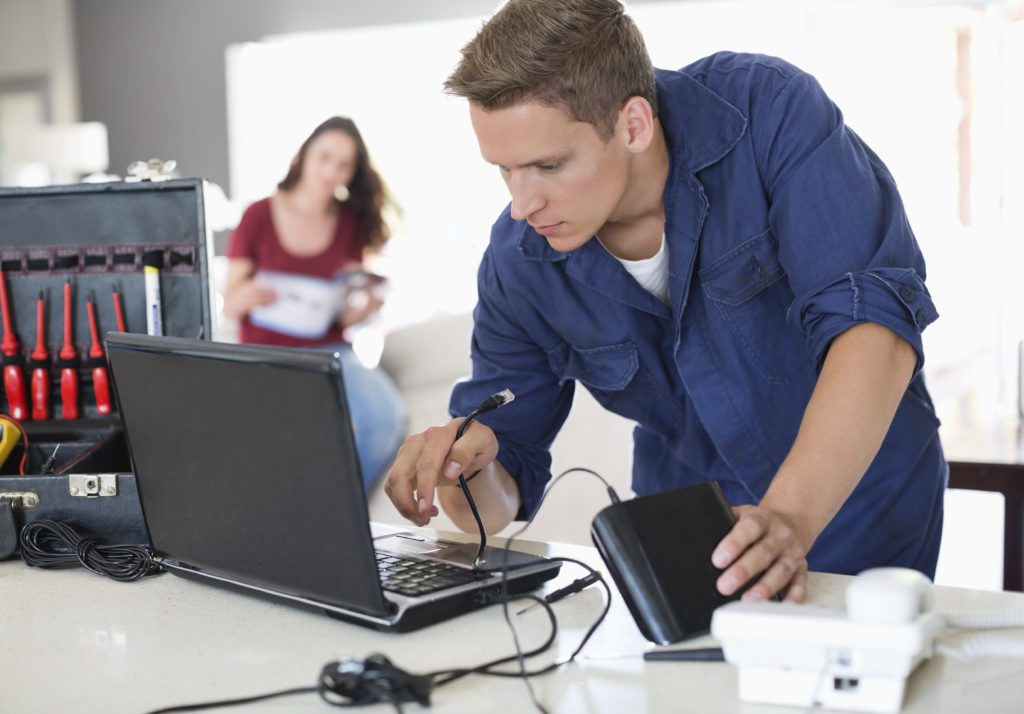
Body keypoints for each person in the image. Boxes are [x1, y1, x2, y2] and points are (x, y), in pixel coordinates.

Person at [384, 0, 947, 604]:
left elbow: (876, 332)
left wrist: (786, 518)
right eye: (505, 171)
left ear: (632, 125)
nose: (523, 204)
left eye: (548, 165)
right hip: (687, 527)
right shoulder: (517, 262)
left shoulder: (768, 112)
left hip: (859, 498)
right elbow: (494, 504)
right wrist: (466, 475)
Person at [224, 116, 407, 491]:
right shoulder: (258, 215)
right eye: (324, 157)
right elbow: (230, 302)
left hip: (332, 351)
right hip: (266, 354)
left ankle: (335, 508)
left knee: (386, 418)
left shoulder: (352, 222)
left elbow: (345, 314)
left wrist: (366, 306)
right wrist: (244, 297)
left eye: (343, 165)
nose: (330, 171)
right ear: (304, 155)